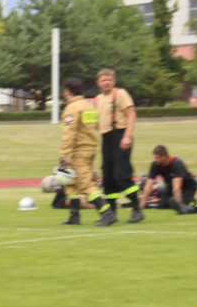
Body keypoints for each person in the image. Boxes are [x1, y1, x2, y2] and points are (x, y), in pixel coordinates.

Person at [58, 77, 115, 226]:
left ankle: (106, 212)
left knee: (85, 183)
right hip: (90, 147)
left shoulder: (72, 108)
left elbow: (69, 133)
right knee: (72, 182)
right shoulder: (89, 106)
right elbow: (95, 127)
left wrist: (63, 154)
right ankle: (74, 216)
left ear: (67, 92)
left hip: (79, 150)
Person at [95, 68, 141, 223]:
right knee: (107, 176)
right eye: (103, 80)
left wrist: (127, 136)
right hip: (106, 137)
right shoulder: (97, 99)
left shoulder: (120, 94)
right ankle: (111, 212)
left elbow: (132, 114)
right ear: (98, 83)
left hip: (120, 135)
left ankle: (136, 208)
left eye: (109, 80)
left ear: (114, 81)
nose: (106, 83)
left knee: (121, 175)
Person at [144, 144, 197, 212]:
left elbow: (177, 188)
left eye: (157, 158)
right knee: (161, 206)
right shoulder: (155, 165)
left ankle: (190, 200)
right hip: (171, 186)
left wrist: (179, 205)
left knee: (182, 206)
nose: (155, 160)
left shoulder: (176, 163)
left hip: (187, 187)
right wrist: (141, 204)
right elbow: (148, 185)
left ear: (164, 156)